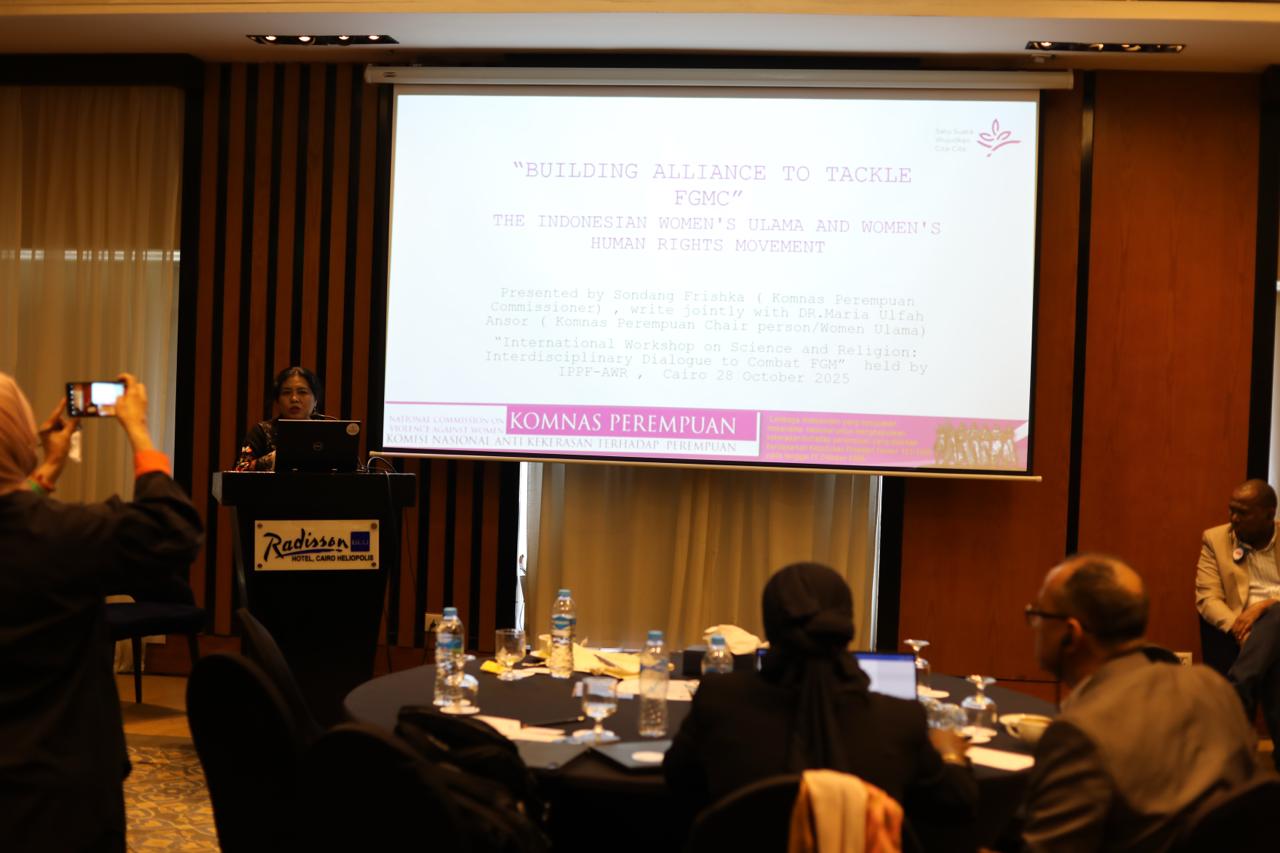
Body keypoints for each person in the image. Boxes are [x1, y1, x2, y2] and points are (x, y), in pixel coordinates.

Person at [0, 372, 203, 851]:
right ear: (20, 440)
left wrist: (48, 469)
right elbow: (173, 529)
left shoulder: (52, 534)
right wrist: (138, 431)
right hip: (63, 789)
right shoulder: (69, 537)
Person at [664, 562, 976, 844]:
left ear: (770, 625)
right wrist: (950, 754)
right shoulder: (900, 719)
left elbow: (679, 781)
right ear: (846, 624)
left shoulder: (719, 700)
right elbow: (956, 803)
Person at [1018, 554, 1264, 851]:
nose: (1033, 623)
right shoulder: (1213, 686)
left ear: (1071, 634)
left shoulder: (1078, 734)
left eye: (1038, 614)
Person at [1195, 478, 1280, 767]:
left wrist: (1265, 606)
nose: (1233, 518)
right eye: (1231, 510)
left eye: (1242, 512)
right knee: (1274, 656)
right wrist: (1238, 627)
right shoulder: (1216, 539)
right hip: (1240, 627)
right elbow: (1208, 597)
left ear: (1269, 514)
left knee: (1276, 615)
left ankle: (1240, 686)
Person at [234, 366, 325, 471]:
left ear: (315, 400)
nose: (294, 399)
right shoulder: (262, 432)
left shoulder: (325, 432)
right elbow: (239, 470)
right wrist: (276, 457)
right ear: (277, 401)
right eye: (286, 393)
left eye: (302, 392)